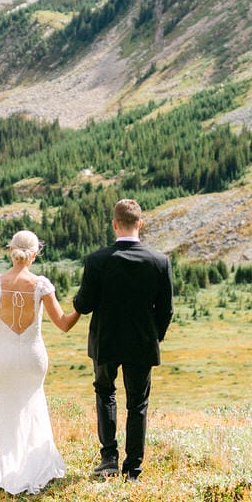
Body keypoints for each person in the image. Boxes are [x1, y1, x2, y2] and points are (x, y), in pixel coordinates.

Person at [0, 230, 79, 494]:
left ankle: (12, 461)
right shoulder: (41, 285)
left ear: (10, 250)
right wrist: (82, 306)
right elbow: (64, 324)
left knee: (9, 408)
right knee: (34, 404)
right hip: (33, 357)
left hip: (5, 356)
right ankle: (35, 462)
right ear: (34, 254)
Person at [72, 198, 174, 481]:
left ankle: (108, 459)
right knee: (137, 402)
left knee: (105, 394)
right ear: (140, 224)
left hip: (105, 340)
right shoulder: (159, 261)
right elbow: (166, 310)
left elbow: (84, 304)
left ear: (115, 224)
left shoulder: (96, 261)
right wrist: (155, 336)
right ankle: (133, 467)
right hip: (142, 341)